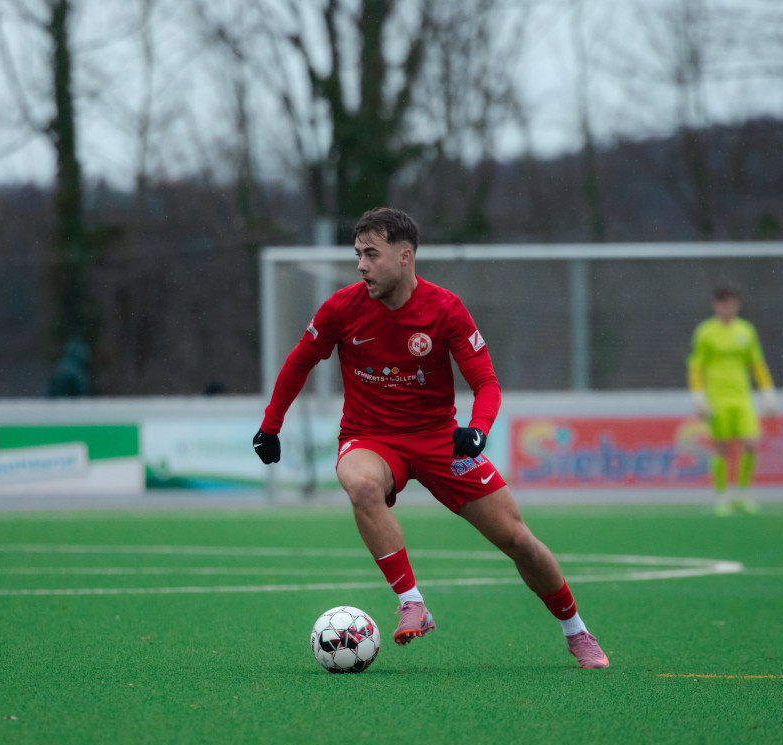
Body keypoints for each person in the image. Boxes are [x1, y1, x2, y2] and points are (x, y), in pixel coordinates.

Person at [252, 207, 609, 669]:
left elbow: (486, 382)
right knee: (360, 485)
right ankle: (410, 601)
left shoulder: (445, 309)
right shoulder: (341, 308)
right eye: (357, 254)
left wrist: (477, 430)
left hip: (439, 439)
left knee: (518, 540)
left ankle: (576, 630)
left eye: (371, 254)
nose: (361, 265)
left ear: (405, 257)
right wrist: (271, 424)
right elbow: (299, 362)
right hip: (369, 437)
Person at [687, 285, 776, 516]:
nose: (727, 308)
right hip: (717, 398)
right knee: (721, 447)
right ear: (715, 305)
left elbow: (756, 364)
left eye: (731, 303)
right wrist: (698, 397)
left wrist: (767, 392)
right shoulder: (705, 332)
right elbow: (696, 367)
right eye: (723, 303)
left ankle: (743, 494)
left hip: (742, 397)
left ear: (737, 305)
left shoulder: (746, 331)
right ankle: (722, 496)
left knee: (751, 443)